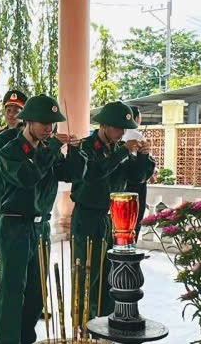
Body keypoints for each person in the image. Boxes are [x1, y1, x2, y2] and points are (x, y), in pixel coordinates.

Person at [0, 95, 72, 344]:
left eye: (52, 123)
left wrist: (76, 152)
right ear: (28, 121)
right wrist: (53, 149)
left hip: (41, 225)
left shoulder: (48, 148)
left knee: (37, 292)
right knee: (13, 289)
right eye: (44, 123)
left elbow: (71, 174)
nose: (49, 128)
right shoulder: (9, 148)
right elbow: (27, 177)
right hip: (14, 224)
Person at [66, 102, 155, 320]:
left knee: (111, 273)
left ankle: (105, 320)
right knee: (87, 271)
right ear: (104, 125)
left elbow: (137, 177)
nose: (122, 133)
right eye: (118, 128)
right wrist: (123, 152)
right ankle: (83, 322)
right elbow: (94, 173)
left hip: (112, 219)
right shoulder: (86, 147)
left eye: (125, 129)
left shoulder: (118, 149)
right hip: (88, 217)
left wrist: (143, 156)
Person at [0, 89, 28, 279]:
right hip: (1, 191)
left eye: (17, 110)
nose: (12, 114)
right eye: (9, 110)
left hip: (20, 190)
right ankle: (1, 262)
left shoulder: (27, 136)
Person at [124, 106, 151, 236]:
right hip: (136, 182)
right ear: (135, 118)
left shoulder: (122, 134)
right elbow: (145, 161)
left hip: (123, 183)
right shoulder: (137, 135)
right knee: (135, 216)